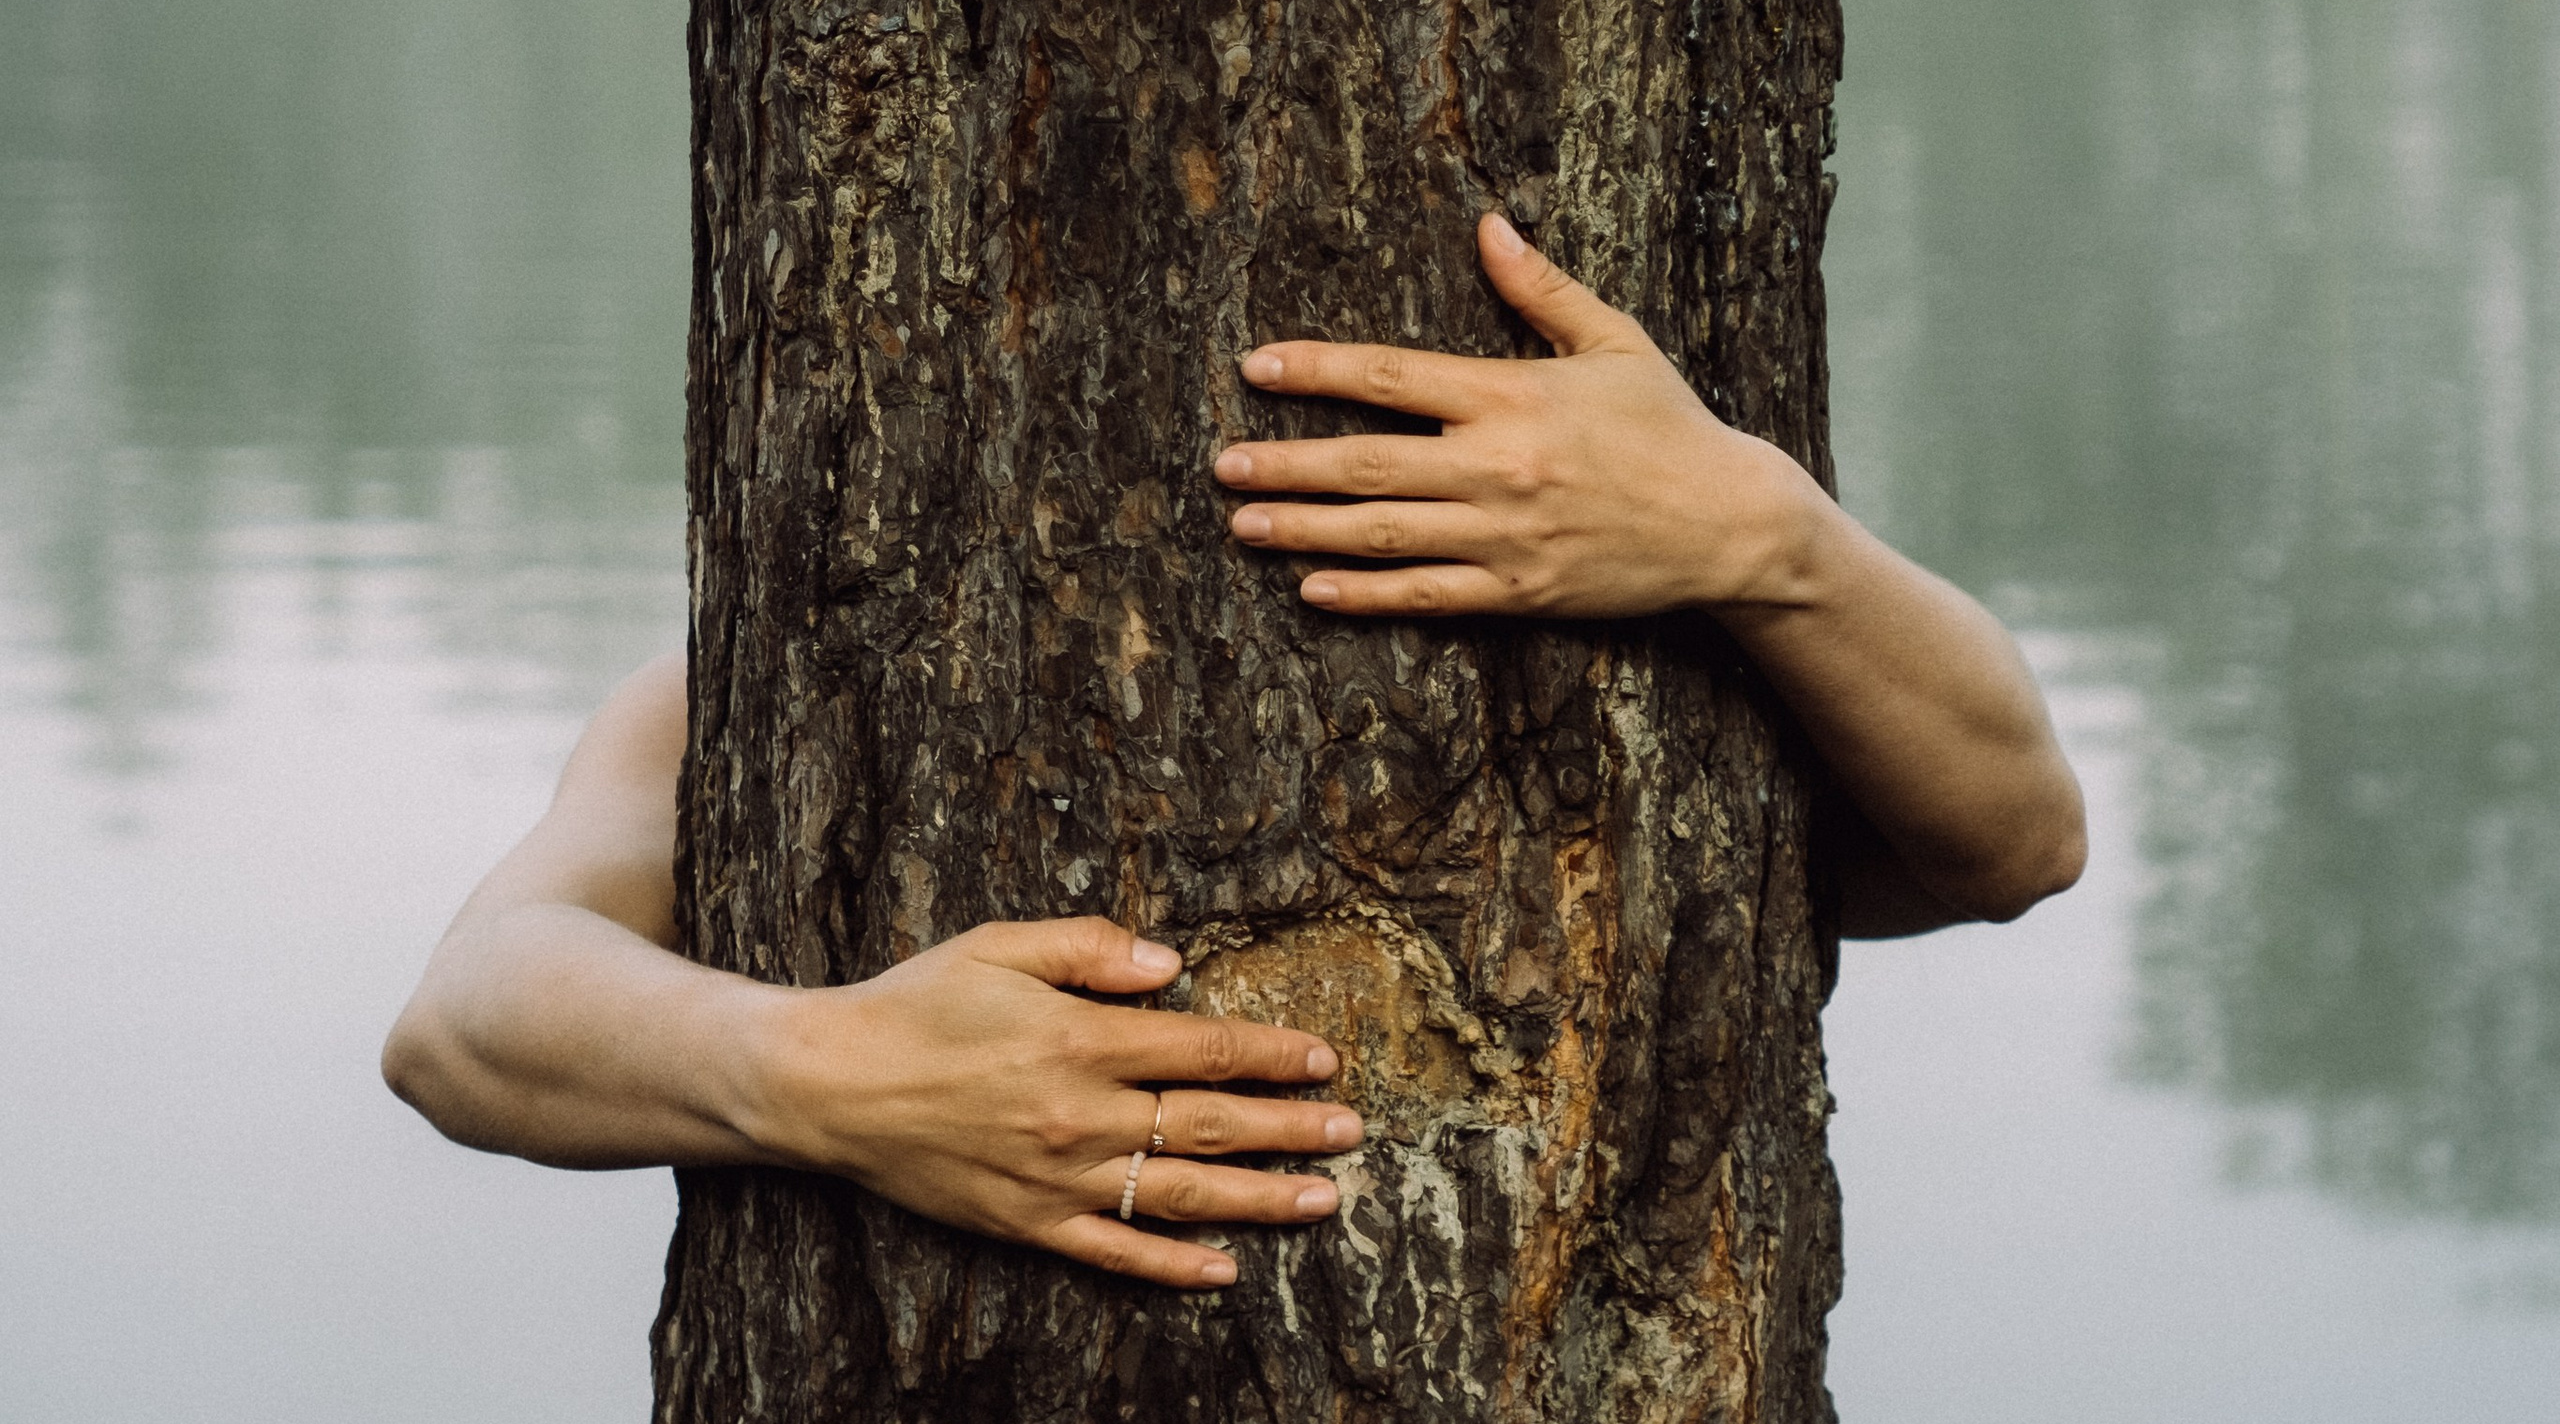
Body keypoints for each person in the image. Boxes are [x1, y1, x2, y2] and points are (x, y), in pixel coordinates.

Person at [384, 214, 2084, 1292]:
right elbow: (466, 1019)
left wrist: (1768, 534)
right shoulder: (813, 673)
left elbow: (2010, 836)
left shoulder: (1668, 600)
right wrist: (832, 1080)